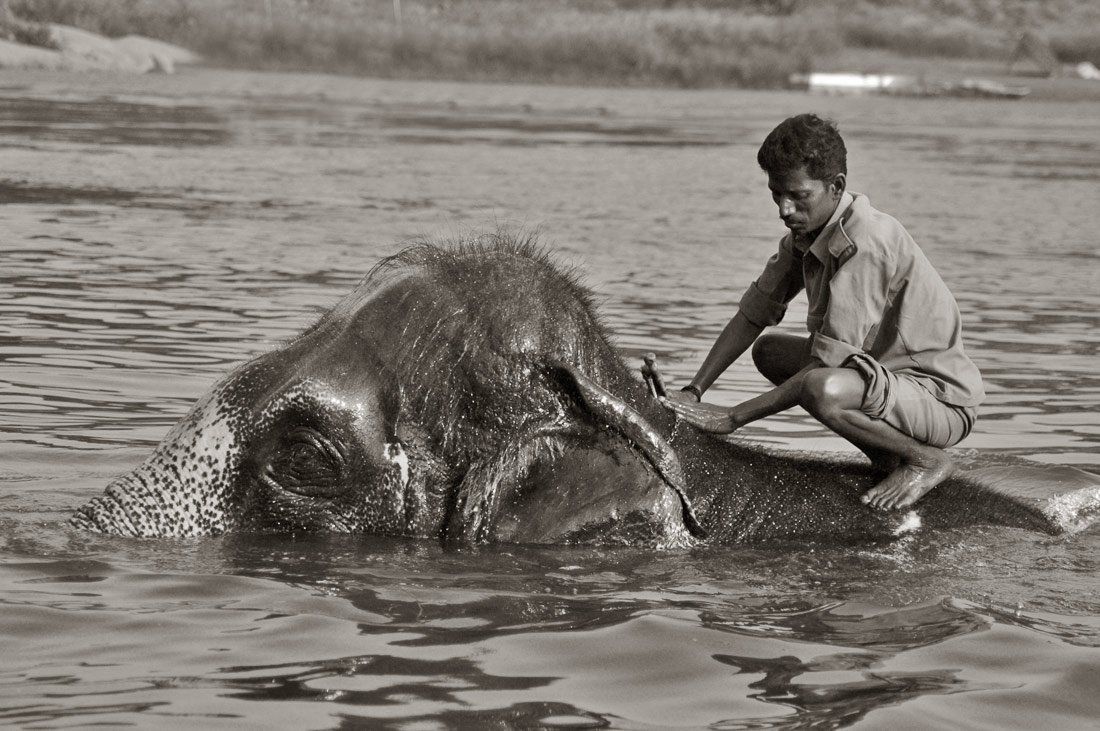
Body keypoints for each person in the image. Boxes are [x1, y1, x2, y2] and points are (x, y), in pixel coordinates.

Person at [663, 113, 984, 511]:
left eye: (798, 196)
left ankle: (925, 460)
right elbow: (752, 315)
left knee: (821, 388)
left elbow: (824, 366)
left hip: (935, 400)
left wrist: (732, 417)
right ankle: (885, 455)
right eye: (776, 194)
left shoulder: (867, 242)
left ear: (836, 187)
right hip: (881, 382)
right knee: (770, 352)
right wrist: (694, 391)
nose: (784, 208)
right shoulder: (805, 235)